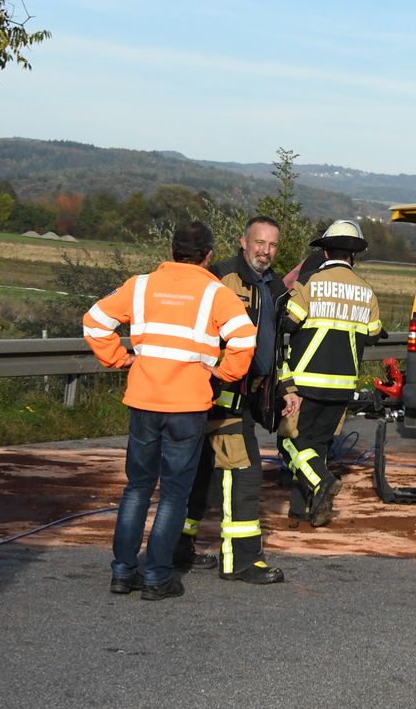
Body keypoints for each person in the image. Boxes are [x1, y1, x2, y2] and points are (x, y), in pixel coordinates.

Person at [82, 221, 256, 600]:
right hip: (188, 407)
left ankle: (122, 572)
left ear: (172, 249)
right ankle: (157, 576)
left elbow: (95, 321)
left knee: (137, 489)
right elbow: (245, 338)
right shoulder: (216, 292)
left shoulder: (140, 285)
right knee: (175, 494)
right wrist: (224, 372)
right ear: (209, 255)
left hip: (144, 402)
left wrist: (119, 360)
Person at [178, 216, 288, 584]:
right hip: (220, 394)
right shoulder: (221, 277)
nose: (265, 251)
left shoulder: (273, 286)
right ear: (243, 242)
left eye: (272, 245)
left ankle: (179, 548)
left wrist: (282, 391)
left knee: (203, 474)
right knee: (244, 472)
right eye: (259, 243)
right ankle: (241, 561)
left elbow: (273, 346)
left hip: (250, 394)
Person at [278, 220, 382, 527]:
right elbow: (374, 333)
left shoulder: (310, 283)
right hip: (342, 386)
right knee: (318, 446)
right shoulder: (367, 292)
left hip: (305, 382)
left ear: (324, 251)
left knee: (290, 442)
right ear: (354, 256)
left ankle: (322, 482)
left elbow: (289, 323)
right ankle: (305, 510)